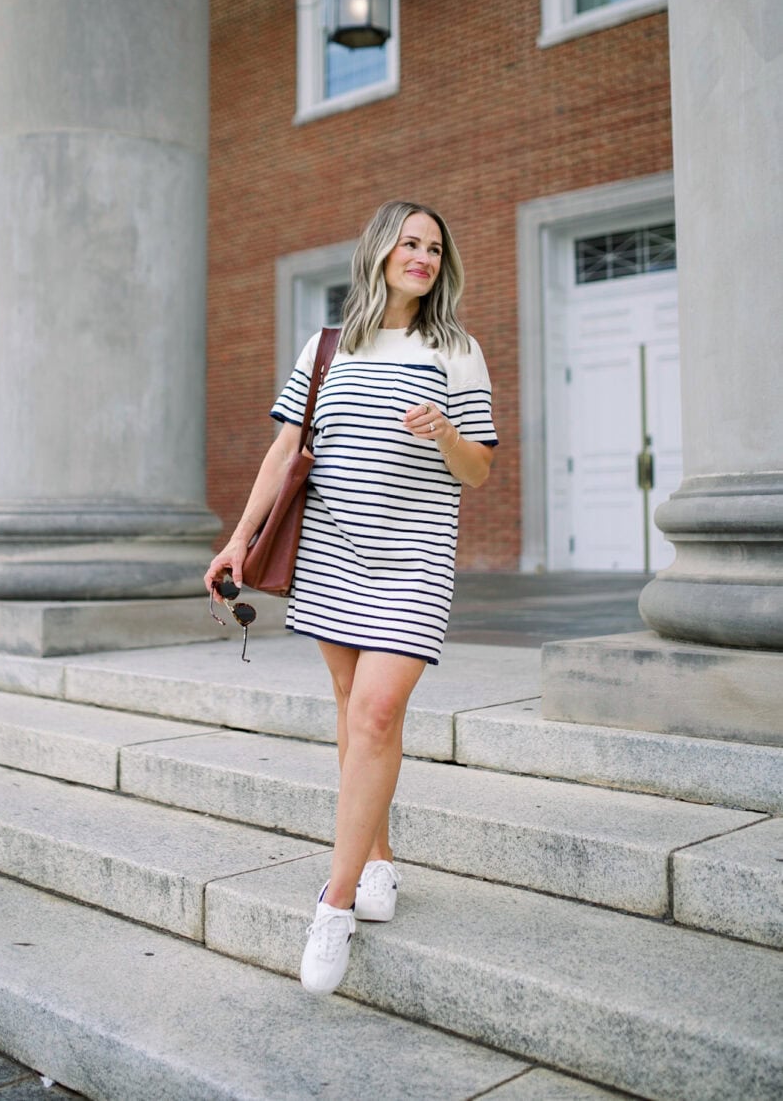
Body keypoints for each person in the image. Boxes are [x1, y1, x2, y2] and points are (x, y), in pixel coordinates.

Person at [204, 200, 497, 995]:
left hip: (413, 559)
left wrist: (445, 433)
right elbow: (287, 450)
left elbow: (479, 471)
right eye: (410, 242)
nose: (424, 256)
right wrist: (238, 538)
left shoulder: (457, 350)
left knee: (374, 712)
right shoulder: (329, 346)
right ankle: (379, 859)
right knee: (351, 706)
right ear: (379, 251)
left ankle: (332, 902)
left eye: (436, 247)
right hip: (335, 553)